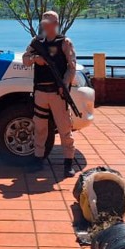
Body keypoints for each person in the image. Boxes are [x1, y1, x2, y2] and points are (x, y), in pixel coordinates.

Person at [22, 10, 77, 177]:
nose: (46, 25)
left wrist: (65, 84)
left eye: (50, 22)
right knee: (39, 127)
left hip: (57, 92)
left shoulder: (64, 42)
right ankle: (38, 159)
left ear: (56, 24)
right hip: (40, 92)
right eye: (44, 22)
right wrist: (35, 59)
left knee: (64, 128)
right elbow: (25, 59)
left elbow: (72, 66)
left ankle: (68, 163)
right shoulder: (36, 42)